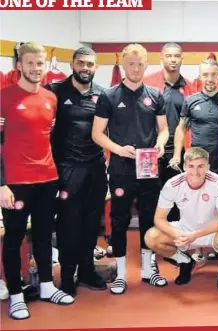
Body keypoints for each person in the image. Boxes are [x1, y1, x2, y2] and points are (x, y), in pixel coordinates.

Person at [1, 42, 75, 320]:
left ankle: (46, 285)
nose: (36, 68)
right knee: (14, 239)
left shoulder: (50, 98)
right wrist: (1, 184)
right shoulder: (4, 98)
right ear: (19, 65)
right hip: (16, 183)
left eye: (40, 63)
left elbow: (49, 139)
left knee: (44, 235)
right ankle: (17, 296)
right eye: (30, 63)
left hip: (47, 178)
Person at [92, 43, 170, 295]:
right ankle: (121, 273)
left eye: (140, 64)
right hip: (121, 168)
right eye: (131, 64)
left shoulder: (156, 95)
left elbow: (164, 130)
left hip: (149, 168)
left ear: (147, 65)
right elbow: (97, 134)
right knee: (119, 220)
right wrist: (117, 148)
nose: (136, 68)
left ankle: (149, 269)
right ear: (123, 65)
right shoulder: (109, 95)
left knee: (150, 218)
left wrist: (160, 144)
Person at [46, 46, 108, 297]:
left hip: (95, 168)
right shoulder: (54, 91)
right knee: (68, 225)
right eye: (81, 63)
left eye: (90, 64)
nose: (85, 68)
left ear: (96, 67)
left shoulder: (103, 94)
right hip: (67, 169)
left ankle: (86, 271)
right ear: (72, 64)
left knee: (91, 223)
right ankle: (67, 274)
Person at [144, 147, 218, 285]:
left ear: (208, 167)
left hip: (212, 232)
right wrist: (176, 234)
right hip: (185, 230)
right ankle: (185, 261)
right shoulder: (172, 184)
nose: (196, 172)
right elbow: (159, 219)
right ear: (184, 166)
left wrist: (195, 235)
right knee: (151, 237)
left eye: (201, 166)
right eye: (191, 166)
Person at [143, 42, 193, 223]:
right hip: (151, 151)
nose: (173, 59)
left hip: (179, 152)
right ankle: (150, 244)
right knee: (150, 198)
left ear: (182, 59)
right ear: (161, 58)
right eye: (169, 56)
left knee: (179, 199)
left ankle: (175, 243)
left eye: (177, 56)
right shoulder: (146, 83)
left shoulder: (189, 87)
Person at [174, 59, 218, 179]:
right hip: (197, 162)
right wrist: (177, 155)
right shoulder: (190, 101)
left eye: (213, 74)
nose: (209, 79)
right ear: (200, 77)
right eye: (205, 75)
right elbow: (181, 128)